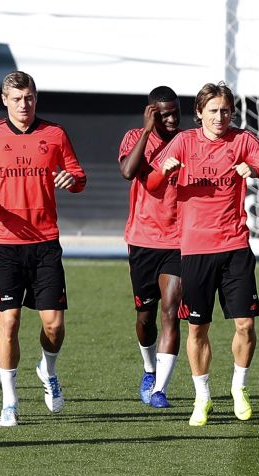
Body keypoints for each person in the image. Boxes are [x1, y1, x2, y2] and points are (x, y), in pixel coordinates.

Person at [153, 82, 259, 426]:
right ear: (199, 113)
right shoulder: (182, 142)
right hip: (195, 251)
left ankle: (239, 387)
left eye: (225, 110)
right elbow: (150, 184)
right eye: (212, 110)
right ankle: (202, 396)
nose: (219, 117)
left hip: (235, 247)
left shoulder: (242, 141)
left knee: (245, 324)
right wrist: (164, 171)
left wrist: (255, 169)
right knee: (198, 329)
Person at [0, 71, 87, 427]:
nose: (24, 104)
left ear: (36, 98)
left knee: (53, 325)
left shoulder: (55, 134)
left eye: (29, 97)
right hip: (4, 245)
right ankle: (10, 402)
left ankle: (47, 371)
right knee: (9, 322)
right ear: (4, 100)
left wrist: (71, 180)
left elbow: (79, 176)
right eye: (16, 99)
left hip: (46, 243)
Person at [118, 86, 182, 408]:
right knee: (146, 317)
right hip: (142, 241)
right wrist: (146, 131)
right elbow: (129, 171)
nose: (171, 119)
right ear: (151, 112)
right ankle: (148, 368)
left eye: (175, 112)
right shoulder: (134, 137)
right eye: (164, 113)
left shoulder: (187, 142)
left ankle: (159, 389)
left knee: (172, 311)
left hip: (178, 242)